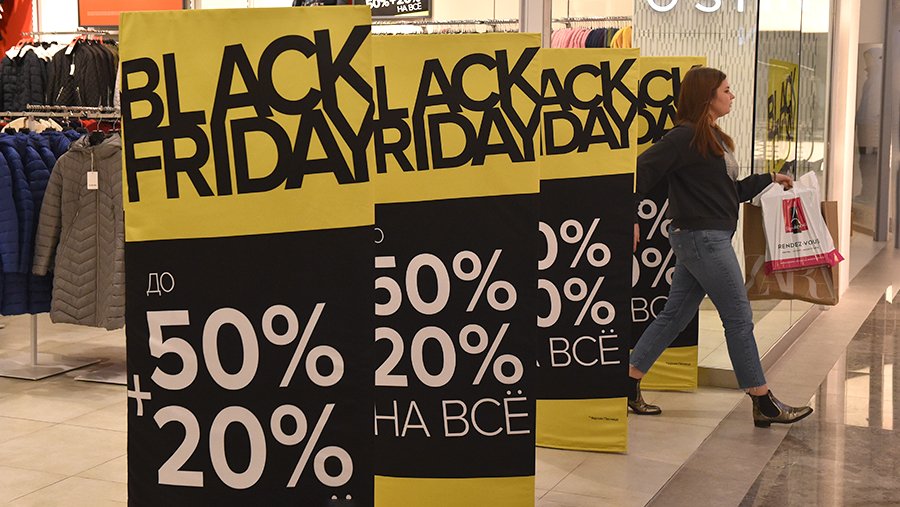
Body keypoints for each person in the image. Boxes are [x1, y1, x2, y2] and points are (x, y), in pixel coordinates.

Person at [628, 66, 813, 428]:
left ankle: (628, 380)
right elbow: (639, 171)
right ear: (707, 96)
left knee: (674, 316)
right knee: (739, 317)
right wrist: (629, 215)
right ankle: (762, 400)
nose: (732, 95)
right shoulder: (683, 137)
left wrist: (768, 179)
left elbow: (729, 192)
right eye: (726, 90)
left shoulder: (712, 137)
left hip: (705, 237)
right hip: (703, 239)